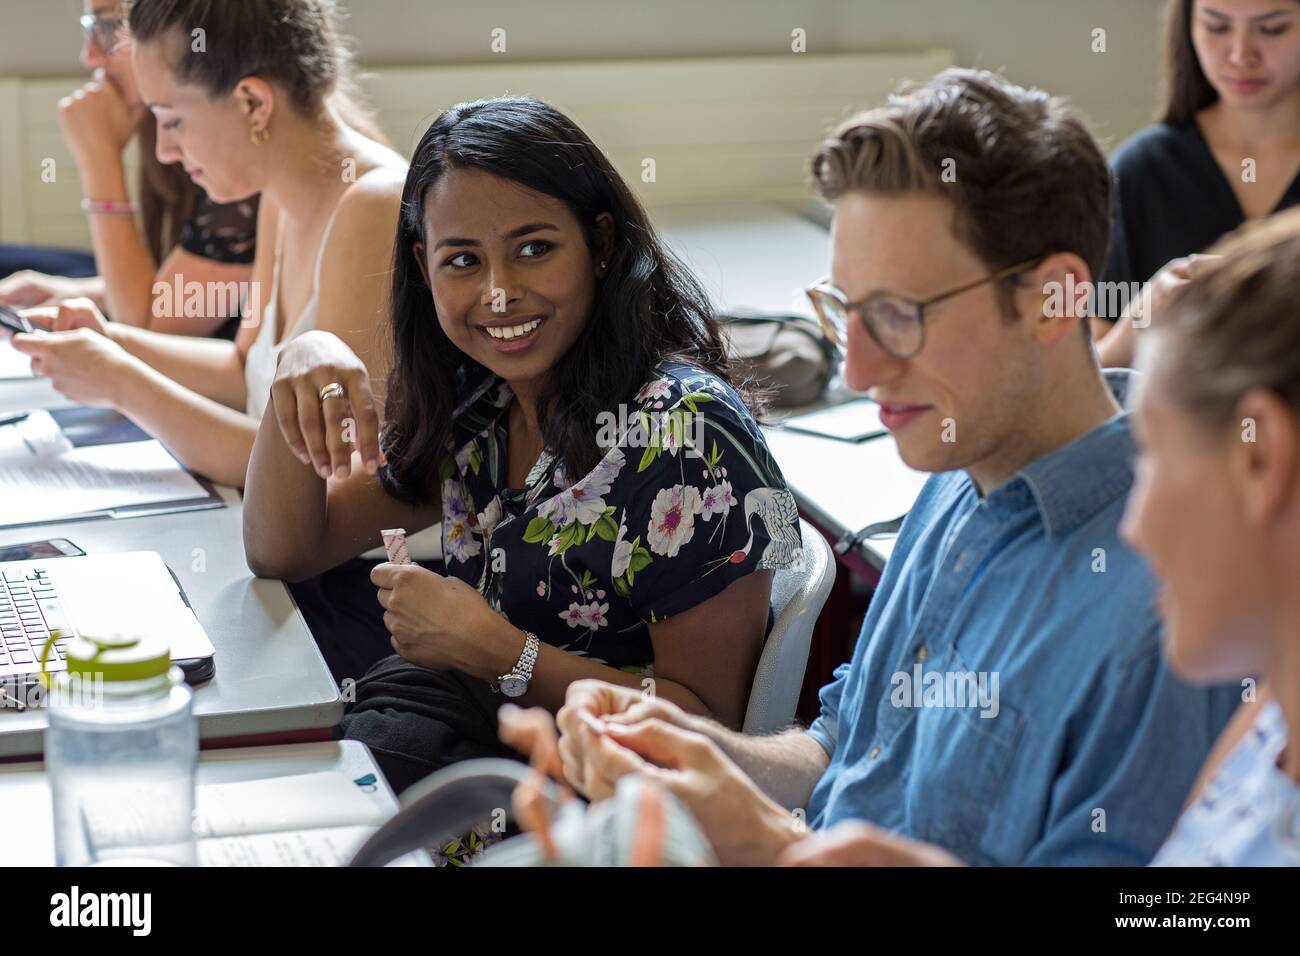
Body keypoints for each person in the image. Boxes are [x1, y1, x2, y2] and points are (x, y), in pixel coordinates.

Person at [505, 68, 1242, 867]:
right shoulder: (959, 473)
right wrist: (704, 755)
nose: (856, 371)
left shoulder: (1173, 612)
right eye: (844, 312)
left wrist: (771, 845)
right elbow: (843, 750)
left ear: (1053, 300)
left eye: (899, 315)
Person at [241, 95, 804, 795]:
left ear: (599, 246)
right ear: (423, 266)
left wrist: (503, 654)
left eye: (534, 249)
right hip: (478, 752)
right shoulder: (481, 400)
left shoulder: (686, 437)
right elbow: (285, 547)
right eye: (463, 261)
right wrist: (300, 364)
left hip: (598, 808)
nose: (500, 293)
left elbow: (712, 728)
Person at [773, 208, 1300, 867]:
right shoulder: (1270, 720)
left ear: (1261, 457)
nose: (1133, 523)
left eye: (1158, 456)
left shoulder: (1217, 676)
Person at [9, 0, 407, 489]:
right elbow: (245, 371)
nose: (164, 151)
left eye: (172, 121)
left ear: (253, 104)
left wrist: (121, 382)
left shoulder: (373, 205)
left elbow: (326, 473)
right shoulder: (278, 195)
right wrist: (112, 341)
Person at [0, 0, 258, 338]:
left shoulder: (238, 149)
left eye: (109, 27)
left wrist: (99, 158)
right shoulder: (165, 127)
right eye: (90, 27)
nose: (89, 56)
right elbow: (174, 285)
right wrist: (79, 292)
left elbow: (146, 324)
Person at [1097, 0, 1300, 367]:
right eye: (1217, 26)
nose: (1241, 55)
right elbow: (1094, 383)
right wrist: (1142, 318)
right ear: (1188, 27)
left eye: (1273, 29)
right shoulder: (1141, 172)